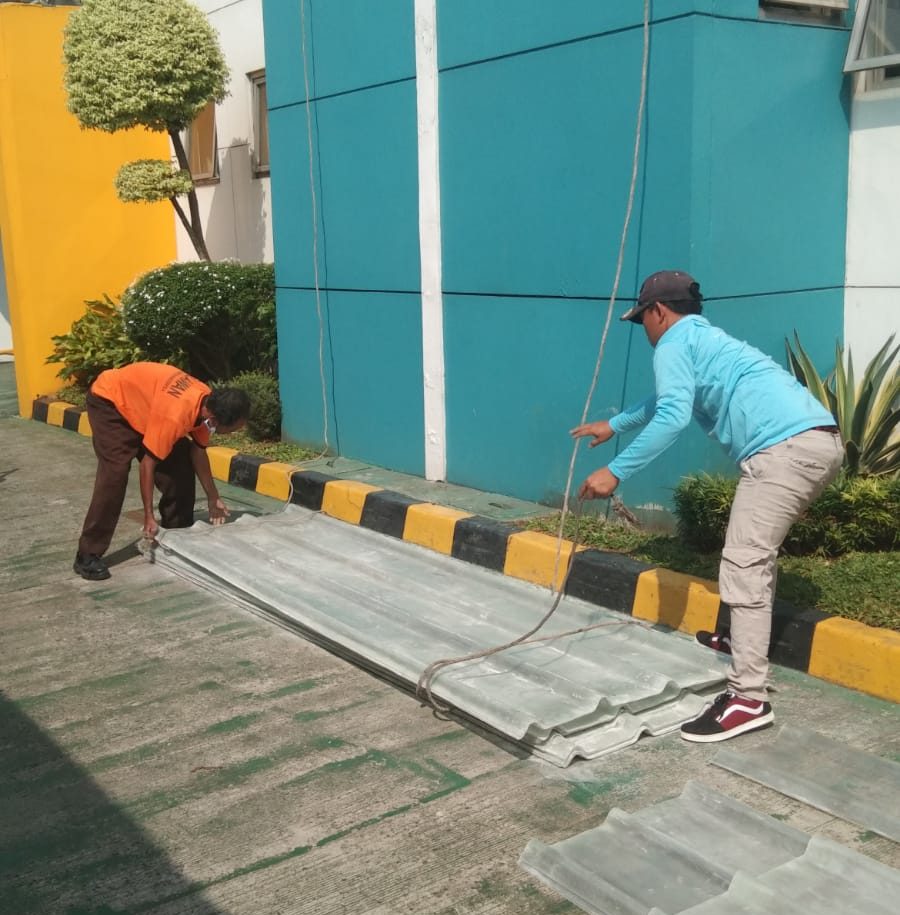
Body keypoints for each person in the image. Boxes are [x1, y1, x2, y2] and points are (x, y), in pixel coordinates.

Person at [571, 270, 843, 743]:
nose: (644, 329)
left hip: (784, 451)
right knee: (753, 554)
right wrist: (615, 425)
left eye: (643, 319)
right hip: (815, 442)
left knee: (745, 562)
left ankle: (748, 699)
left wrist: (616, 471)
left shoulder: (673, 342)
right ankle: (741, 639)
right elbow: (666, 399)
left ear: (658, 312)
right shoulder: (703, 338)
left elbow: (673, 416)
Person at [74, 362, 250, 581]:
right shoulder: (176, 416)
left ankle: (177, 533)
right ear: (214, 419)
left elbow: (198, 452)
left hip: (148, 410)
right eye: (231, 430)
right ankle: (87, 555)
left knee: (180, 465)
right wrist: (148, 516)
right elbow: (148, 465)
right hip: (111, 402)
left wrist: (213, 498)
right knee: (115, 474)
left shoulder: (207, 404)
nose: (232, 433)